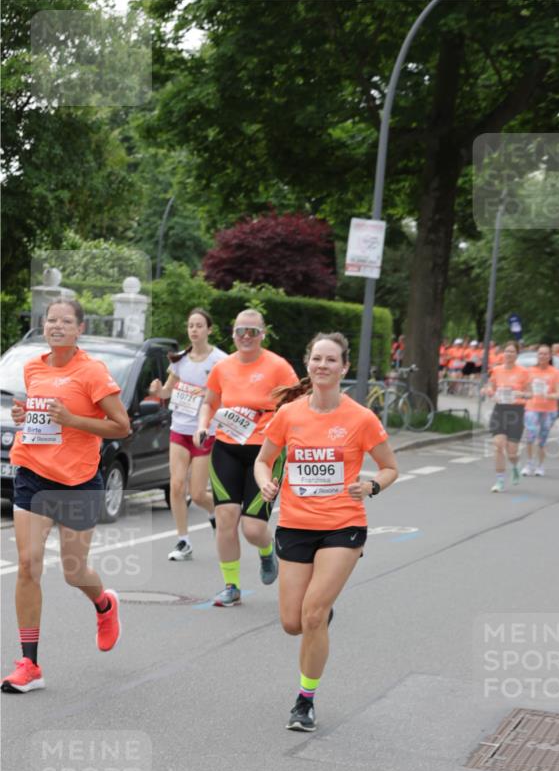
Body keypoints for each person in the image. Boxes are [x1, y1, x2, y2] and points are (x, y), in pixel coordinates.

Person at [254, 332, 398, 731]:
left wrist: (371, 486)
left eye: (331, 360)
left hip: (343, 526)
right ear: (308, 363)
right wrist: (266, 481)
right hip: (296, 525)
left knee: (313, 616)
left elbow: (390, 468)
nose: (322, 366)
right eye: (317, 358)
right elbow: (263, 460)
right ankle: (320, 609)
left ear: (344, 368)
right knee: (292, 622)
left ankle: (305, 700)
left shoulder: (360, 418)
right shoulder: (290, 414)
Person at [2, 299, 130, 694]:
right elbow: (40, 413)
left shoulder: (92, 372)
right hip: (32, 474)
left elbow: (120, 426)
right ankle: (30, 664)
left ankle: (104, 604)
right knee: (27, 565)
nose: (56, 326)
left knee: (75, 571)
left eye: (65, 321)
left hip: (76, 480)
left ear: (79, 328)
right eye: (50, 320)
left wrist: (74, 420)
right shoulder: (34, 366)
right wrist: (26, 417)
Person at [194, 309, 298, 606]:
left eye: (253, 331)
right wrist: (203, 425)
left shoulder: (278, 367)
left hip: (265, 453)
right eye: (241, 331)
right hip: (227, 447)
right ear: (233, 334)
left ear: (263, 334)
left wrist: (280, 426)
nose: (247, 337)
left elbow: (296, 404)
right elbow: (209, 402)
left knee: (252, 528)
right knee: (226, 518)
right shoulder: (222, 367)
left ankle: (267, 552)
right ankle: (231, 586)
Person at [148, 309, 226, 560]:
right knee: (177, 485)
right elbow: (166, 393)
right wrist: (158, 390)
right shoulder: (179, 359)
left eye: (199, 325)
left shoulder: (219, 360)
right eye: (191, 325)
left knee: (198, 492)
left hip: (204, 431)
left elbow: (228, 394)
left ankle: (218, 514)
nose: (194, 330)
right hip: (179, 429)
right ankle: (183, 541)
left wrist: (206, 397)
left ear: (209, 330)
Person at [484, 341, 530, 492]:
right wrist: (490, 392)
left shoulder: (523, 372)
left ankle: (515, 466)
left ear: (517, 355)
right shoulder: (496, 370)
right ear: (503, 353)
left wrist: (521, 393)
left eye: (512, 352)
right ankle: (500, 481)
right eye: (507, 351)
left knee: (512, 451)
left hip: (516, 411)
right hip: (500, 410)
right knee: (498, 445)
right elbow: (490, 386)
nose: (509, 354)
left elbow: (531, 393)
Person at [521, 344, 559, 476]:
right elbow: (525, 390)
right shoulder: (530, 371)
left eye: (545, 354)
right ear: (537, 355)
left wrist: (548, 395)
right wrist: (527, 393)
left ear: (550, 356)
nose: (543, 356)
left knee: (542, 438)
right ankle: (529, 464)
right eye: (540, 353)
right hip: (532, 407)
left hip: (549, 409)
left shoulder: (555, 372)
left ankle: (540, 465)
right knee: (530, 434)